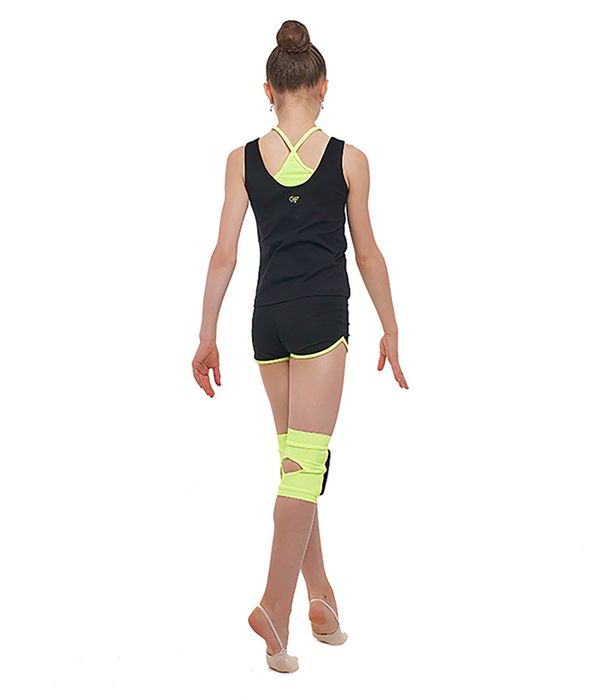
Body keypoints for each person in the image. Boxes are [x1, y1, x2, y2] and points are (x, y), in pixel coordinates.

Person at [192, 19, 409, 673]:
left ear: (269, 90)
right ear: (323, 87)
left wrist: (206, 334)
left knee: (296, 464)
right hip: (319, 321)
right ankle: (272, 608)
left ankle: (322, 599)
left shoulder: (241, 160)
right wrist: (391, 326)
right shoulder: (349, 159)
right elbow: (366, 253)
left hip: (267, 323)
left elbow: (224, 253)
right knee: (305, 468)